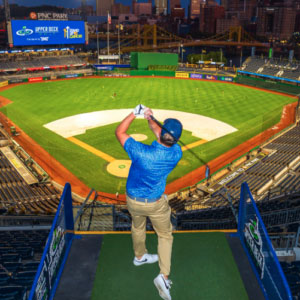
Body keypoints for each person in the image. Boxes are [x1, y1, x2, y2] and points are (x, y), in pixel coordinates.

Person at [115, 104, 183, 300]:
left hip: (133, 200)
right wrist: (149, 117)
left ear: (161, 133)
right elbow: (162, 135)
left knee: (137, 226)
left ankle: (139, 256)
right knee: (165, 235)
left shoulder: (139, 151)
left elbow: (120, 131)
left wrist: (135, 113)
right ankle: (164, 275)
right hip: (155, 203)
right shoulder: (176, 153)